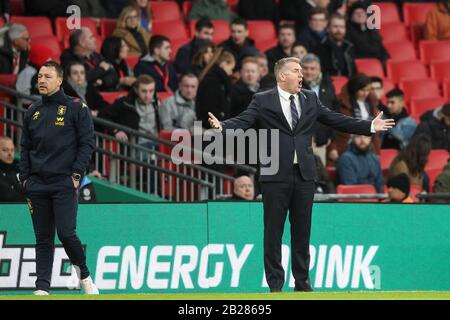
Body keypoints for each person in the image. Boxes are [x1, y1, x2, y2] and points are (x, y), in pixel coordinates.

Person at [207, 57, 395, 292]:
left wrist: (368, 126)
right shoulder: (263, 99)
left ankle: (302, 284)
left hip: (305, 175)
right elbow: (244, 120)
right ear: (282, 76)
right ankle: (275, 285)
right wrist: (223, 126)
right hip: (275, 175)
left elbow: (335, 119)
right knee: (273, 232)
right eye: (296, 71)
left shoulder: (310, 98)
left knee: (302, 232)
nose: (301, 75)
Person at [19, 61, 98, 295]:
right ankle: (42, 287)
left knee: (65, 233)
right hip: (36, 184)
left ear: (60, 80)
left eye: (47, 77)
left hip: (64, 182)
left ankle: (83, 274)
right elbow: (25, 148)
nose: (41, 80)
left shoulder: (76, 108)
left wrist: (76, 174)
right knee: (43, 239)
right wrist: (25, 178)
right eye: (40, 76)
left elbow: (87, 143)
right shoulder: (32, 110)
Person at [328, 73, 381, 164]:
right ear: (354, 89)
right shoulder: (340, 102)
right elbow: (330, 127)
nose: (366, 94)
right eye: (362, 90)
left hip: (368, 147)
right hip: (346, 147)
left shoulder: (371, 101)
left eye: (368, 90)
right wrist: (332, 147)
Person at [98, 74, 161, 145]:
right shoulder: (125, 103)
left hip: (157, 143)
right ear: (136, 90)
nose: (147, 95)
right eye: (144, 91)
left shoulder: (157, 104)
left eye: (151, 91)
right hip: (136, 147)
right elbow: (102, 115)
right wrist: (116, 130)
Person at [301, 53, 338, 165]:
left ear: (319, 70)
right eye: (305, 68)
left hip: (323, 143)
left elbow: (334, 112)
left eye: (312, 68)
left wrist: (332, 139)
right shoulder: (294, 87)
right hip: (302, 144)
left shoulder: (328, 85)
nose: (309, 72)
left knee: (320, 178)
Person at [196, 50, 235, 128]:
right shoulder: (214, 82)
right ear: (224, 63)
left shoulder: (214, 79)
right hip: (210, 128)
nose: (231, 73)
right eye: (230, 69)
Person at [0, 136, 26, 202]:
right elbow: (6, 195)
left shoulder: (19, 170)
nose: (10, 153)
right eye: (5, 150)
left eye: (12, 150)